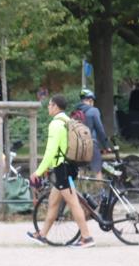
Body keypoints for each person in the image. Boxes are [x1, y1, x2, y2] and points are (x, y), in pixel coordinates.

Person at [26, 94, 96, 248]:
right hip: (67, 167)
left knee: (73, 203)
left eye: (50, 105)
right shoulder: (67, 121)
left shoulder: (56, 124)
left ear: (56, 106)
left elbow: (51, 151)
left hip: (63, 169)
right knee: (53, 203)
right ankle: (43, 235)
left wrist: (38, 171)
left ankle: (87, 237)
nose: (48, 108)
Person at [74, 89, 111, 178]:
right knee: (97, 171)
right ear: (90, 100)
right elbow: (100, 130)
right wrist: (106, 146)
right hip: (91, 146)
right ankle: (100, 191)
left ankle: (81, 191)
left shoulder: (75, 112)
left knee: (81, 170)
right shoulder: (93, 111)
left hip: (77, 147)